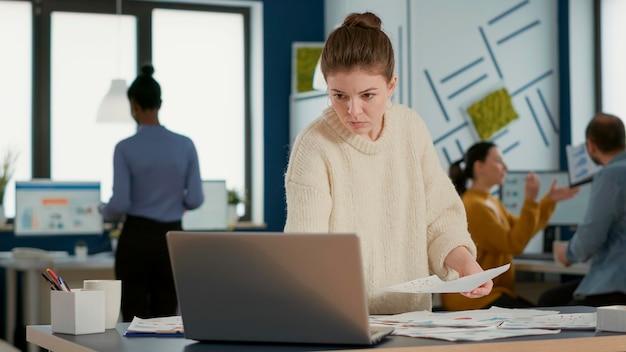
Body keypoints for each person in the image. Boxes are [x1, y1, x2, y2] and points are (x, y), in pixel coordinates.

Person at [283, 12, 492, 315]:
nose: (353, 110)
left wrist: (466, 265)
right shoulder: (314, 145)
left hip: (413, 320)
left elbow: (440, 220)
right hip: (339, 319)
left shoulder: (410, 128)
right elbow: (305, 251)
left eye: (367, 95)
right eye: (338, 95)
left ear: (391, 85)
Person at [99, 64, 204, 321]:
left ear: (133, 104)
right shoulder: (185, 145)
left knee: (133, 322)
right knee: (167, 321)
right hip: (171, 240)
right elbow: (195, 198)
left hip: (135, 239)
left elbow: (120, 203)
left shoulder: (124, 148)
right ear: (160, 103)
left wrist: (103, 210)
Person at [442, 141, 579, 311]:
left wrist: (548, 201)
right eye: (498, 160)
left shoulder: (490, 202)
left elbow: (524, 230)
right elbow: (515, 244)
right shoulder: (474, 206)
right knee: (543, 315)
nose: (505, 166)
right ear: (480, 167)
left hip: (490, 293)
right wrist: (530, 200)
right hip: (473, 298)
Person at [538, 113, 626, 307]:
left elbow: (592, 233)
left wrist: (568, 254)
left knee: (549, 306)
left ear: (591, 146)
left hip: (616, 283)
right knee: (551, 299)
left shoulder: (609, 176)